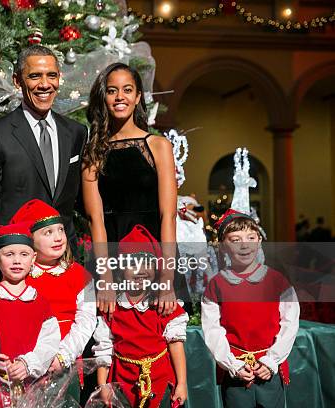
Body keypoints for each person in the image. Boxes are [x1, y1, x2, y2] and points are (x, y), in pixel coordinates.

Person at [0, 45, 88, 296]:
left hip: (64, 264)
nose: (45, 84)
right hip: (15, 269)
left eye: (51, 76)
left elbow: (74, 203)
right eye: (35, 76)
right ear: (17, 81)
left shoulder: (76, 132)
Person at [82, 63, 180, 316]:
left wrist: (167, 278)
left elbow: (167, 216)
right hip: (112, 262)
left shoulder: (158, 146)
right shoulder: (94, 152)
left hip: (154, 261)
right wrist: (105, 278)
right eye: (112, 90)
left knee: (159, 342)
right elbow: (97, 221)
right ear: (104, 97)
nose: (119, 97)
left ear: (138, 97)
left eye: (127, 90)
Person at [202, 209, 300, 408]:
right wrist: (232, 364)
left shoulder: (276, 281)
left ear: (259, 241)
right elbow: (212, 330)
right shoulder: (216, 285)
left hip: (268, 370)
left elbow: (290, 323)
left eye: (251, 237)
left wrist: (271, 361)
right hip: (236, 372)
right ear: (222, 247)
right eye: (235, 239)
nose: (245, 244)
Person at [92, 225, 188, 408]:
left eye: (148, 264)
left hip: (160, 384)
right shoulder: (112, 308)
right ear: (121, 270)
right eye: (133, 264)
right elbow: (104, 350)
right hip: (122, 385)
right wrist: (102, 385)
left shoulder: (163, 306)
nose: (141, 270)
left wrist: (182, 383)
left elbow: (176, 345)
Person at [10, 199, 96, 401]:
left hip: (66, 365)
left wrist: (62, 356)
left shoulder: (85, 276)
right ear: (29, 239)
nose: (58, 237)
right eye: (48, 233)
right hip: (26, 366)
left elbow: (88, 320)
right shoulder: (18, 275)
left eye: (60, 230)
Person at [0, 222, 60, 407]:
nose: (17, 261)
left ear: (33, 258)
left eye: (24, 254)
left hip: (31, 386)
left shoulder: (40, 302)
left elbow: (50, 340)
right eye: (9, 254)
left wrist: (28, 364)